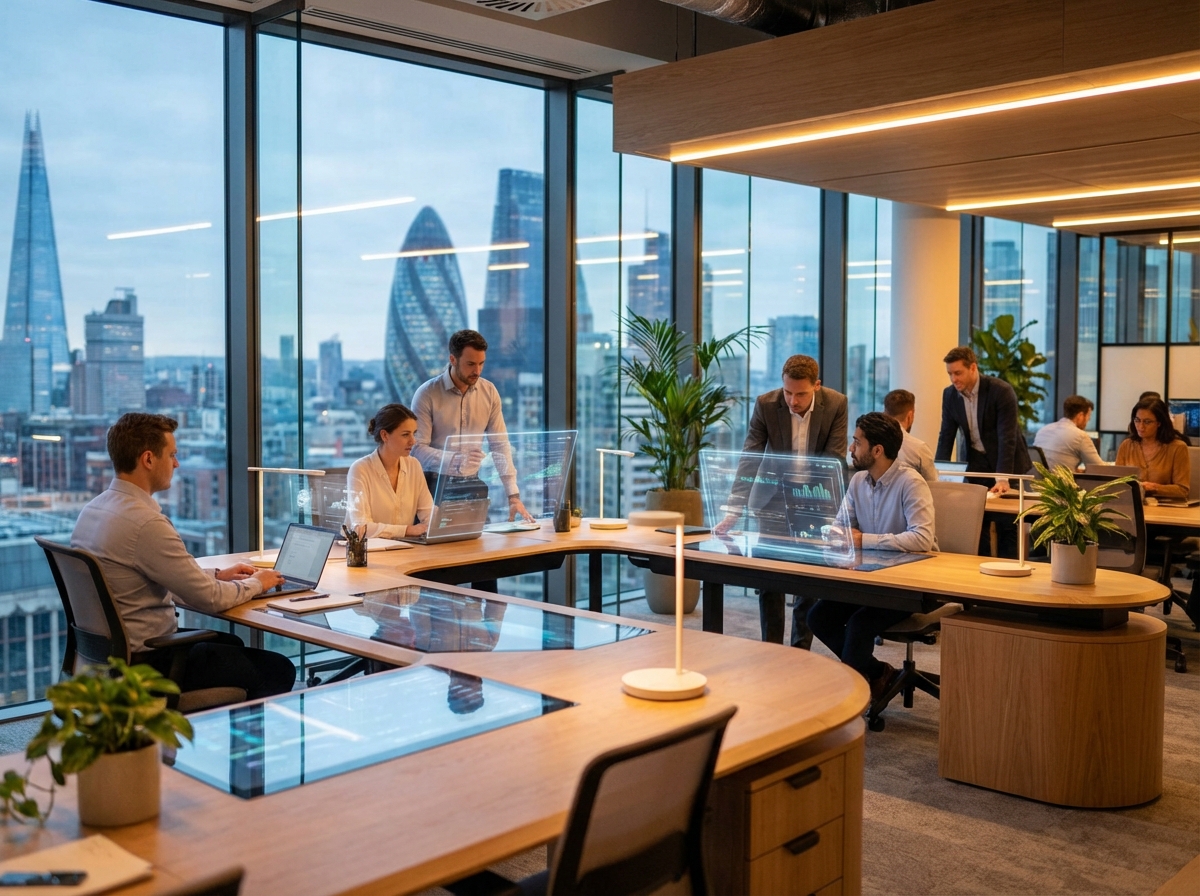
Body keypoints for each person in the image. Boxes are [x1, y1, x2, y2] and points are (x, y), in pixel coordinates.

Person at [71, 413, 295, 700]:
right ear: (149, 459)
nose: (176, 463)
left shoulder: (94, 510)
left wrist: (218, 575)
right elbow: (210, 599)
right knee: (278, 669)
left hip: (107, 657)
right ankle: (240, 745)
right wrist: (260, 582)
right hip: (149, 663)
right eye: (172, 455)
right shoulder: (146, 524)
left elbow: (154, 576)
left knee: (230, 643)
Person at [713, 354, 848, 648]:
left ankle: (800, 651)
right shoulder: (766, 404)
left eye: (800, 394)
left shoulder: (836, 403)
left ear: (817, 386)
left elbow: (834, 458)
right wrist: (734, 509)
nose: (792, 401)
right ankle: (770, 650)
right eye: (788, 392)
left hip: (813, 500)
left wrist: (821, 509)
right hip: (772, 500)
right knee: (769, 581)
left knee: (807, 584)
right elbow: (751, 457)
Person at [808, 413, 936, 702]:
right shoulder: (858, 483)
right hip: (868, 579)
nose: (851, 449)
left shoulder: (911, 483)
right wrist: (836, 533)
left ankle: (848, 699)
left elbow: (922, 538)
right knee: (818, 617)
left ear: (877, 450)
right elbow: (842, 526)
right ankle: (878, 672)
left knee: (858, 626)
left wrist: (863, 539)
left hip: (906, 586)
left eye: (857, 442)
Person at [411, 329, 532, 522]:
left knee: (479, 547)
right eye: (470, 364)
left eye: (481, 363)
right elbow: (416, 449)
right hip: (431, 487)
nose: (477, 371)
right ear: (453, 359)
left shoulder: (489, 392)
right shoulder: (427, 394)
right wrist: (457, 460)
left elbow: (500, 445)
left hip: (472, 486)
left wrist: (513, 496)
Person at [935, 345, 1031, 556]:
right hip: (977, 460)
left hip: (1007, 462)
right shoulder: (950, 395)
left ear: (973, 368)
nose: (953, 379)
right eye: (950, 374)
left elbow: (1007, 437)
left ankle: (1010, 574)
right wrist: (938, 474)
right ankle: (981, 572)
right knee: (978, 522)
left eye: (958, 373)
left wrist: (1002, 477)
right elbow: (946, 436)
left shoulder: (1000, 390)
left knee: (1008, 523)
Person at [345, 403, 433, 539]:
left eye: (414, 434)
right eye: (405, 435)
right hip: (366, 553)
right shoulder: (360, 469)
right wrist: (407, 530)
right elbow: (361, 528)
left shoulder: (413, 465)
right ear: (385, 435)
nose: (413, 441)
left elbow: (429, 514)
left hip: (404, 550)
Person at [1116, 397, 1191, 501]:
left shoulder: (1177, 448)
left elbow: (1183, 490)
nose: (1141, 426)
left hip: (1165, 508)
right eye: (1137, 420)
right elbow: (1116, 483)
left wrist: (1154, 487)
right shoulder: (1127, 445)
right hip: (1132, 505)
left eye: (1147, 422)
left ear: (1159, 423)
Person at [1033, 395, 1105, 472]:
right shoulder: (1080, 436)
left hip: (1038, 482)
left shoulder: (1043, 430)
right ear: (1080, 416)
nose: (1089, 420)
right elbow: (1099, 468)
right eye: (1088, 416)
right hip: (1061, 483)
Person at [882, 389, 938, 483]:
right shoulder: (919, 449)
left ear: (884, 413)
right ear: (910, 415)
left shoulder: (872, 443)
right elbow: (933, 486)